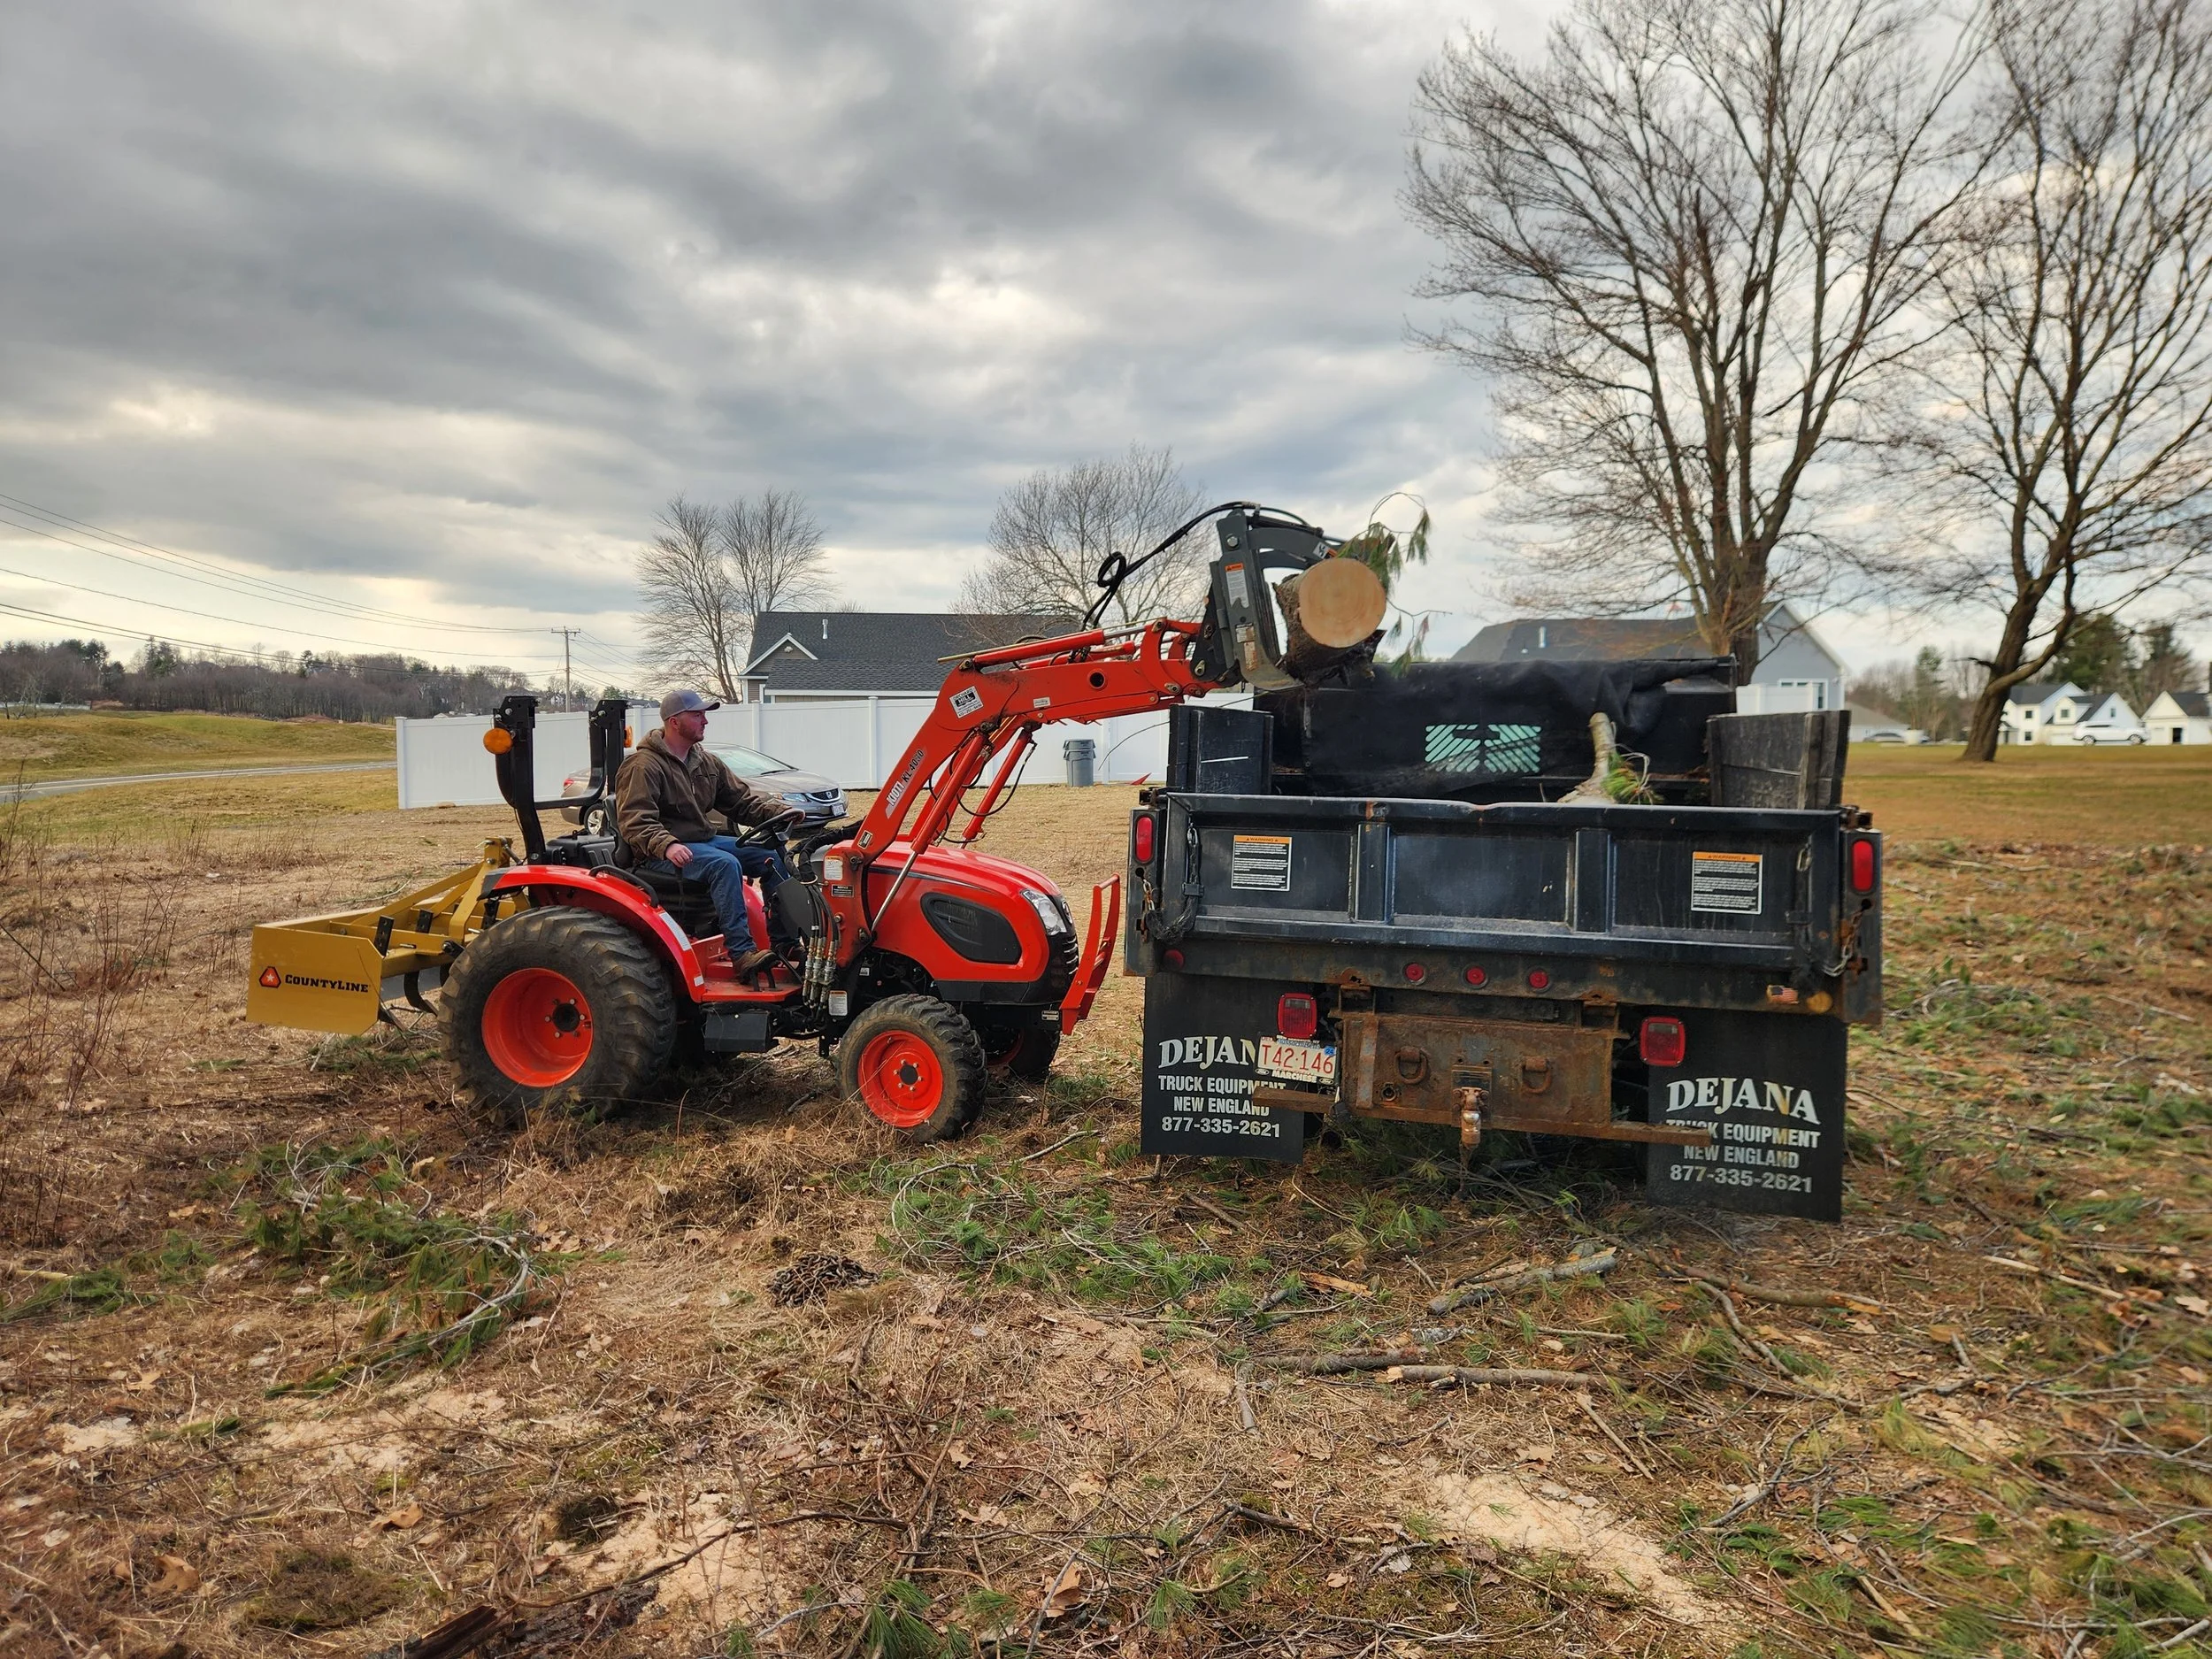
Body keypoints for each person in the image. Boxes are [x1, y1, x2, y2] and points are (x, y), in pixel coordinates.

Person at [613, 689, 790, 976]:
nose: (705, 721)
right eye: (697, 715)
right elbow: (635, 820)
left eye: (704, 714)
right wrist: (667, 845)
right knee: (725, 864)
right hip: (658, 853)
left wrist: (779, 812)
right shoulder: (643, 766)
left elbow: (740, 801)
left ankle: (786, 944)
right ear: (674, 722)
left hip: (701, 842)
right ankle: (742, 954)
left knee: (771, 856)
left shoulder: (705, 762)